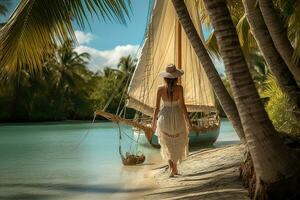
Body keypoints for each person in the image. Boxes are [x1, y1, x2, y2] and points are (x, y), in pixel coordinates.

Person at [151, 64, 192, 177]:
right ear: (176, 77)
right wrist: (189, 121)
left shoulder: (160, 89)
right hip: (177, 117)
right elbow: (183, 106)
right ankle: (174, 168)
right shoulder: (180, 88)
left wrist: (153, 121)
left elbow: (156, 108)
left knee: (166, 143)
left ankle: (172, 169)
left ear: (165, 77)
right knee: (177, 142)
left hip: (164, 117)